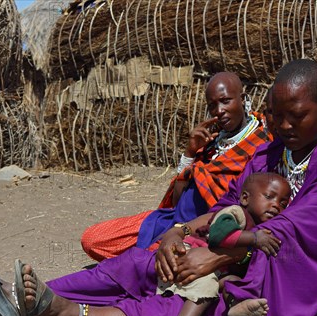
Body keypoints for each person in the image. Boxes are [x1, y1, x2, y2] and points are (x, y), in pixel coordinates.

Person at [0, 59, 317, 316]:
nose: (287, 127)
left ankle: (64, 314)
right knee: (144, 263)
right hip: (232, 242)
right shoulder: (269, 150)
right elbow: (226, 204)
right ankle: (38, 307)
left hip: (294, 276)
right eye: (279, 117)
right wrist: (179, 234)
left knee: (195, 303)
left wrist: (216, 255)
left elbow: (299, 227)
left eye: (298, 116)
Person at [81, 72, 272, 261]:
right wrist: (190, 153)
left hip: (203, 232)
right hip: (172, 220)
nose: (219, 111)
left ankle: (138, 262)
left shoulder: (261, 144)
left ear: (243, 98)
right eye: (212, 106)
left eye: (225, 101)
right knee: (93, 240)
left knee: (147, 264)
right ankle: (139, 258)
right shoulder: (213, 142)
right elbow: (177, 199)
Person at [162, 172, 290, 316]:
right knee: (206, 286)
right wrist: (254, 238)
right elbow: (219, 235)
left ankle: (235, 307)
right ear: (245, 198)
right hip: (190, 259)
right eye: (269, 197)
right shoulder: (235, 213)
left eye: (283, 204)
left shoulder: (254, 223)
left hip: (217, 270)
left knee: (232, 281)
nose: (276, 205)